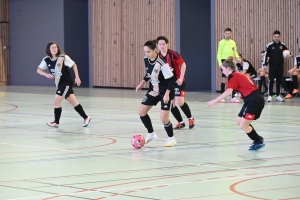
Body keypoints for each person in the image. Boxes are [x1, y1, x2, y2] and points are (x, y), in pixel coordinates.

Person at [207, 57, 265, 151]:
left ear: (228, 69)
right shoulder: (238, 74)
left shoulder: (233, 76)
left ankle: (258, 140)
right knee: (239, 121)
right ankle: (257, 139)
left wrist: (214, 100)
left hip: (254, 100)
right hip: (249, 100)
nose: (222, 72)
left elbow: (229, 92)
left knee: (243, 125)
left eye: (223, 70)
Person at [37, 42, 91, 127]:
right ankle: (86, 118)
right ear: (49, 49)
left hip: (66, 83)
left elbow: (74, 65)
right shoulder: (46, 59)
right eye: (52, 48)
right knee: (74, 102)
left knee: (56, 101)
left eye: (56, 47)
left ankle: (56, 122)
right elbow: (39, 70)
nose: (54, 49)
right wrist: (46, 74)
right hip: (60, 83)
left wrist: (77, 77)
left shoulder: (63, 57)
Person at [136, 40, 176, 147]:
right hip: (153, 90)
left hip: (164, 91)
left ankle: (171, 138)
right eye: (145, 52)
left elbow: (172, 79)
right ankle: (151, 133)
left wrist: (167, 94)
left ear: (155, 50)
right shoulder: (146, 59)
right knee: (141, 112)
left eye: (148, 52)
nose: (146, 54)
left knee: (164, 118)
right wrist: (141, 83)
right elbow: (149, 73)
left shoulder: (162, 63)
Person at [156, 36, 195, 129]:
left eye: (163, 44)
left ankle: (191, 118)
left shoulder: (173, 54)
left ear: (167, 44)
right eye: (160, 44)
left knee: (179, 102)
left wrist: (181, 78)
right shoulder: (158, 57)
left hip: (177, 80)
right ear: (157, 45)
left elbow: (183, 65)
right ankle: (180, 122)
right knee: (172, 104)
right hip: (168, 83)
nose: (162, 46)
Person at [263, 30, 293, 102]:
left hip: (280, 66)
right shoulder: (269, 46)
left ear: (280, 37)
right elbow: (265, 55)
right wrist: (265, 64)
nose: (276, 38)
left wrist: (290, 56)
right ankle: (269, 95)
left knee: (279, 81)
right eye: (275, 37)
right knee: (271, 81)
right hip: (272, 66)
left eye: (278, 37)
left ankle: (278, 95)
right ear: (273, 37)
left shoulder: (283, 45)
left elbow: (290, 54)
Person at [217, 28, 240, 103]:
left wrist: (238, 57)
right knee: (225, 80)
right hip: (224, 61)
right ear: (224, 34)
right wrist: (220, 63)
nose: (227, 35)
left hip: (231, 61)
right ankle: (221, 97)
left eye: (229, 33)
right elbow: (219, 54)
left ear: (231, 34)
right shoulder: (221, 42)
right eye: (226, 33)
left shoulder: (233, 42)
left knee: (232, 79)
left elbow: (235, 52)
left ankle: (233, 97)